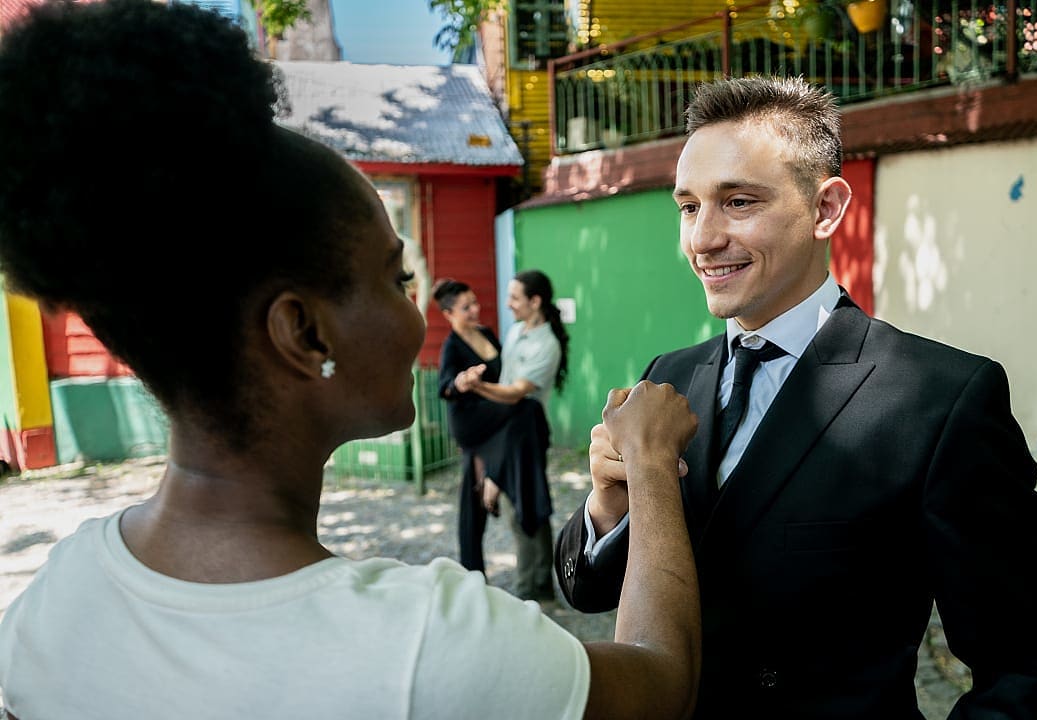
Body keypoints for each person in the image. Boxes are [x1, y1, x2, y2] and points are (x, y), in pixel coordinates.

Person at [0, 2, 704, 718]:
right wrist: (649, 468)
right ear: (303, 333)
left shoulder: (54, 599)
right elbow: (661, 680)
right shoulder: (428, 647)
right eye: (398, 279)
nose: (414, 311)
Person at [554, 75, 1037, 718]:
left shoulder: (940, 399)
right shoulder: (670, 375)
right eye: (689, 207)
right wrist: (608, 505)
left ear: (826, 209)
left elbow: (1028, 667)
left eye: (739, 202)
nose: (702, 239)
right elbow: (588, 592)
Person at [457, 269, 569, 602]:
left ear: (535, 302)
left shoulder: (547, 345)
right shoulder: (518, 331)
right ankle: (537, 583)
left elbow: (515, 393)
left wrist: (477, 386)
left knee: (526, 504)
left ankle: (530, 589)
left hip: (527, 429)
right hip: (507, 428)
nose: (508, 304)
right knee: (519, 503)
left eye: (515, 298)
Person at [434, 278, 520, 574]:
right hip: (471, 419)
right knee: (524, 406)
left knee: (471, 494)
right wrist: (463, 381)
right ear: (449, 314)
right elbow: (445, 386)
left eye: (474, 303)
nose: (474, 310)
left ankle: (472, 571)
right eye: (465, 307)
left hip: (495, 413)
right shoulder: (452, 346)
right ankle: (493, 478)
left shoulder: (485, 332)